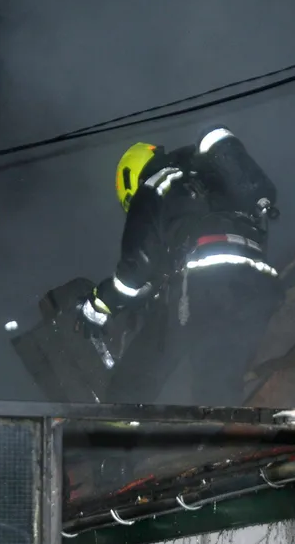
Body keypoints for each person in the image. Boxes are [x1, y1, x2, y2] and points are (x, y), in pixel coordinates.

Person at [77, 126, 283, 406]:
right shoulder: (210, 178)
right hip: (259, 285)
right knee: (219, 377)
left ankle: (118, 436)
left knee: (140, 368)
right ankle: (222, 443)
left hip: (206, 283)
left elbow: (138, 267)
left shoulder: (154, 186)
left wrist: (100, 304)